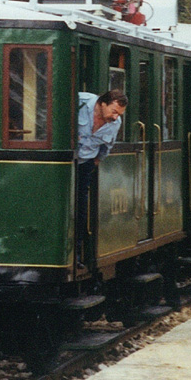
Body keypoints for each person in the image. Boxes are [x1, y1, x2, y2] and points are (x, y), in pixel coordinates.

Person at [75, 89, 128, 269]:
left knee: (81, 207)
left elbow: (106, 147)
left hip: (85, 164)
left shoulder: (115, 122)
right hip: (65, 161)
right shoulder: (80, 101)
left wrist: (94, 163)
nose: (115, 117)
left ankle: (75, 253)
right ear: (103, 103)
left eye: (119, 114)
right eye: (114, 111)